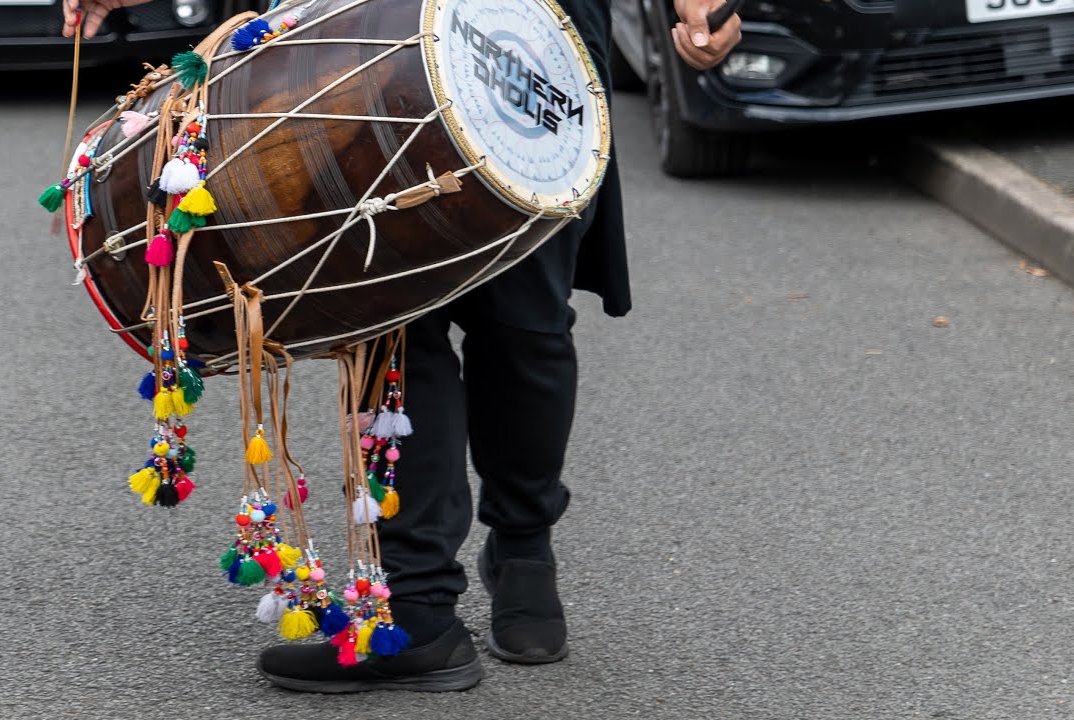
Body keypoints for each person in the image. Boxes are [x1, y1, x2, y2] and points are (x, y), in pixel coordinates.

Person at [65, 0, 741, 693]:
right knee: (392, 325)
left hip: (528, 37)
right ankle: (419, 611)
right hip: (364, 32)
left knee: (526, 328)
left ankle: (524, 545)